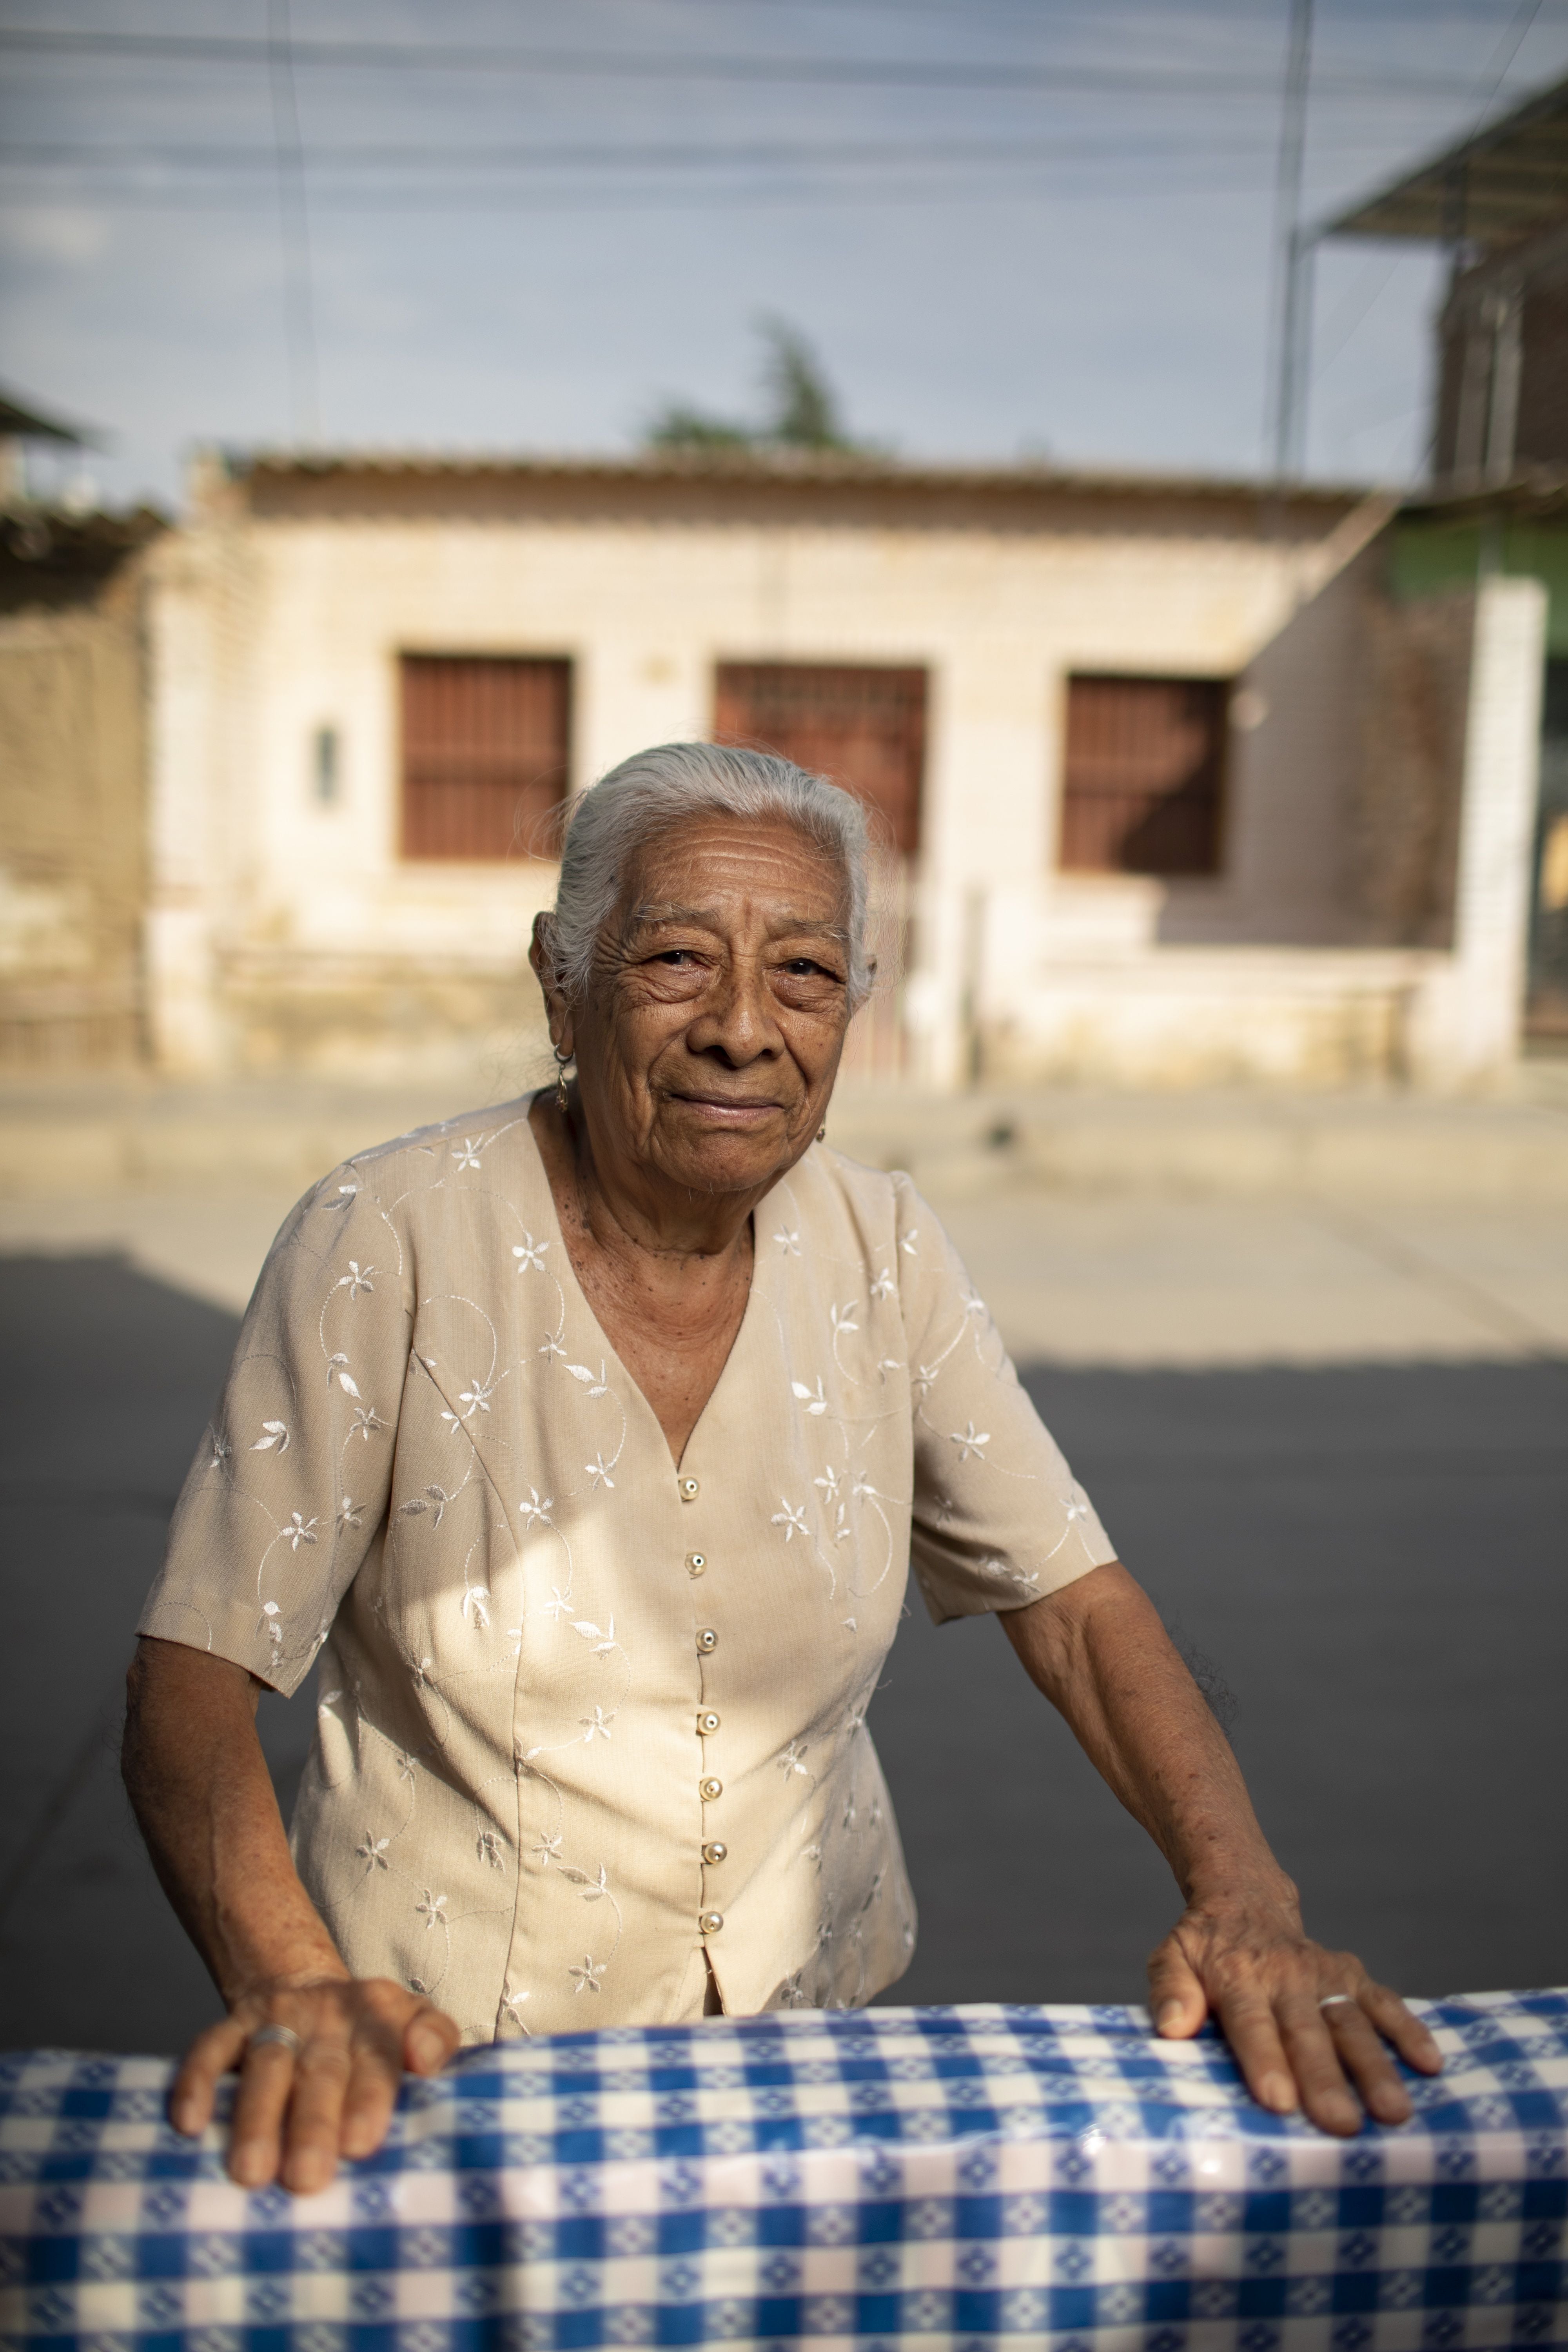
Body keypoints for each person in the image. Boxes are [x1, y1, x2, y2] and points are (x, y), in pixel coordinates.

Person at [125, 741, 1441, 2196]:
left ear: (854, 1010)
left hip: (808, 2056)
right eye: (678, 959)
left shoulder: (884, 1246)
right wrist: (292, 1986)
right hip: (448, 2071)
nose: (744, 1028)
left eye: (806, 975)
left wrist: (1246, 1897)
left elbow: (1072, 1602)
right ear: (562, 987)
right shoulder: (389, 1236)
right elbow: (193, 1676)